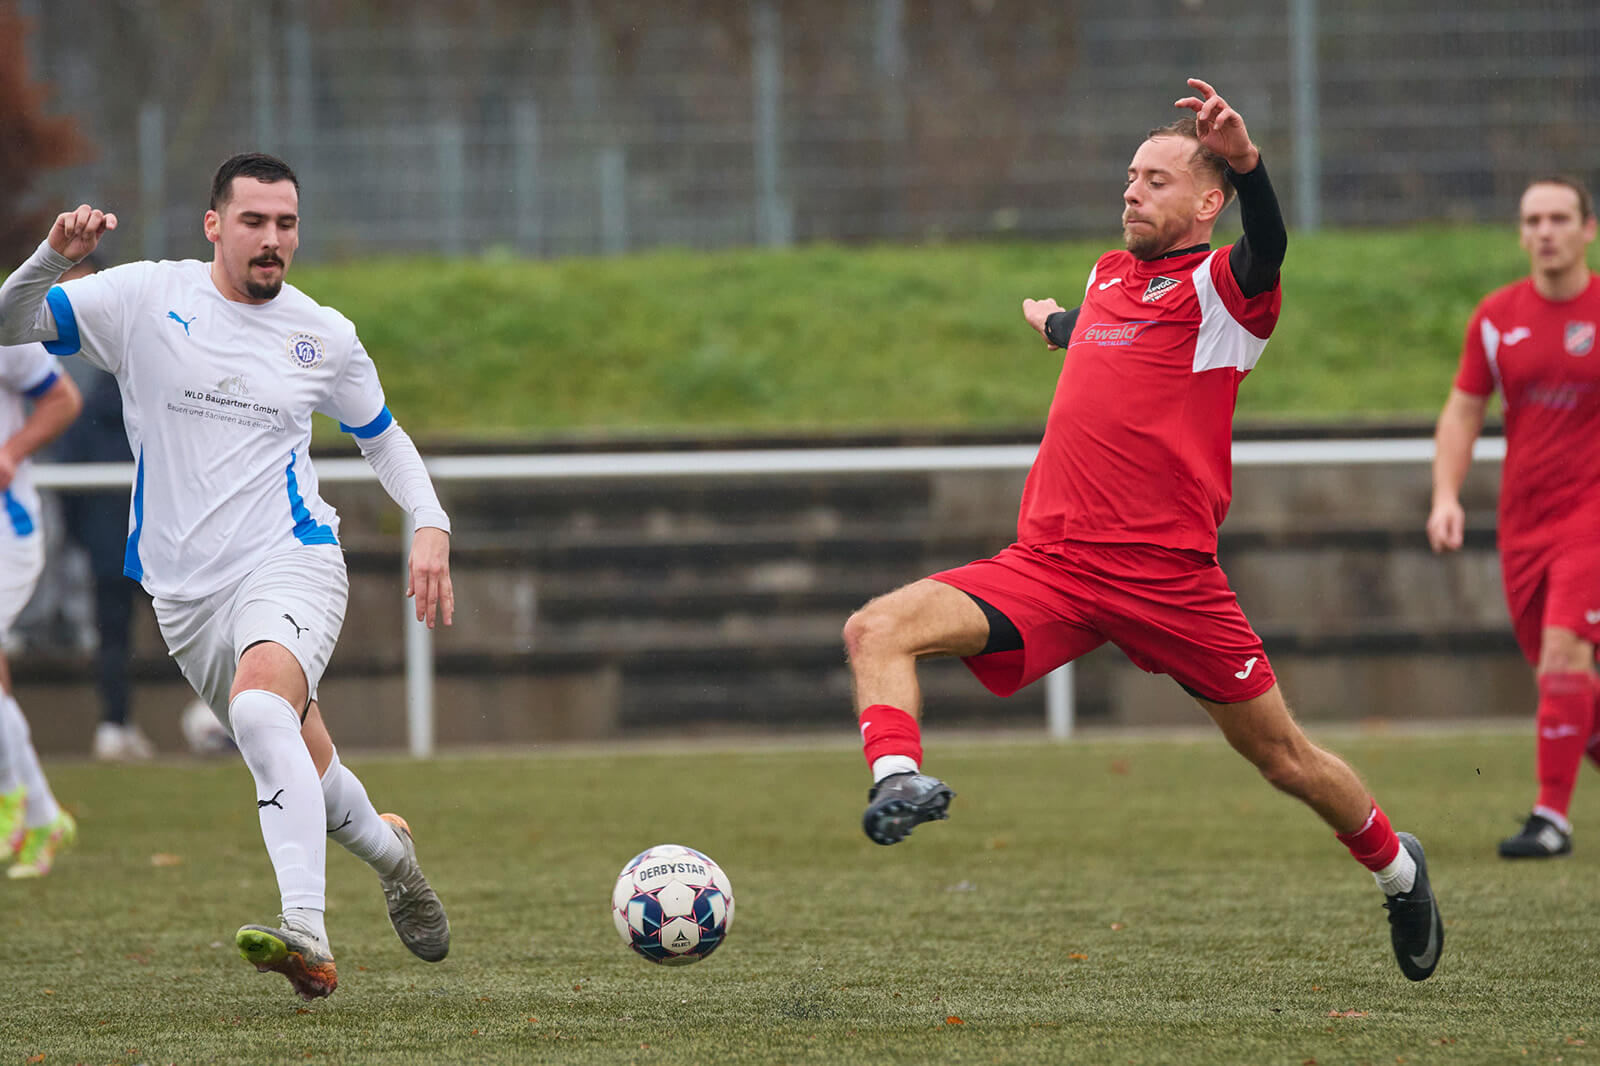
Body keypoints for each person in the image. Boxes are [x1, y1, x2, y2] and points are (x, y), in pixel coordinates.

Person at [842, 79, 1444, 981]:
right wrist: (1053, 324)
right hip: (1050, 566)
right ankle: (898, 781)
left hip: (1170, 581)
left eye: (1156, 179)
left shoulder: (1225, 294)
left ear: (1208, 204)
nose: (1131, 189)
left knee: (1283, 761)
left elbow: (1269, 246)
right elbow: (1103, 334)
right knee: (875, 627)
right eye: (1130, 175)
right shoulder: (1108, 274)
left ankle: (1399, 871)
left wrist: (1248, 162)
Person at [0, 152, 455, 1001]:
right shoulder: (142, 297)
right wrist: (51, 259)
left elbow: (383, 437)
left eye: (286, 224)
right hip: (184, 596)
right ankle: (397, 862)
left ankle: (307, 938)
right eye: (254, 222)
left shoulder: (324, 334)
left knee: (256, 709)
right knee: (306, 773)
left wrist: (430, 522)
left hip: (293, 558)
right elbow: (9, 323)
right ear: (215, 225)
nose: (272, 239)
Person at [1427, 175, 1600, 860]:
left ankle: (1549, 821)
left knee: (1564, 653)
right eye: (1534, 219)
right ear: (1521, 232)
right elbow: (1464, 410)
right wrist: (1446, 496)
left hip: (1592, 518)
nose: (1546, 231)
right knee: (1565, 683)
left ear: (1588, 229)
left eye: (1561, 218)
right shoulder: (1497, 317)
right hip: (1524, 523)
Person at [0, 319, 84, 878]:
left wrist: (10, 454)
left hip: (7, 527)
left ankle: (16, 806)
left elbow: (62, 398)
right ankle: (39, 813)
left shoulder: (5, 325)